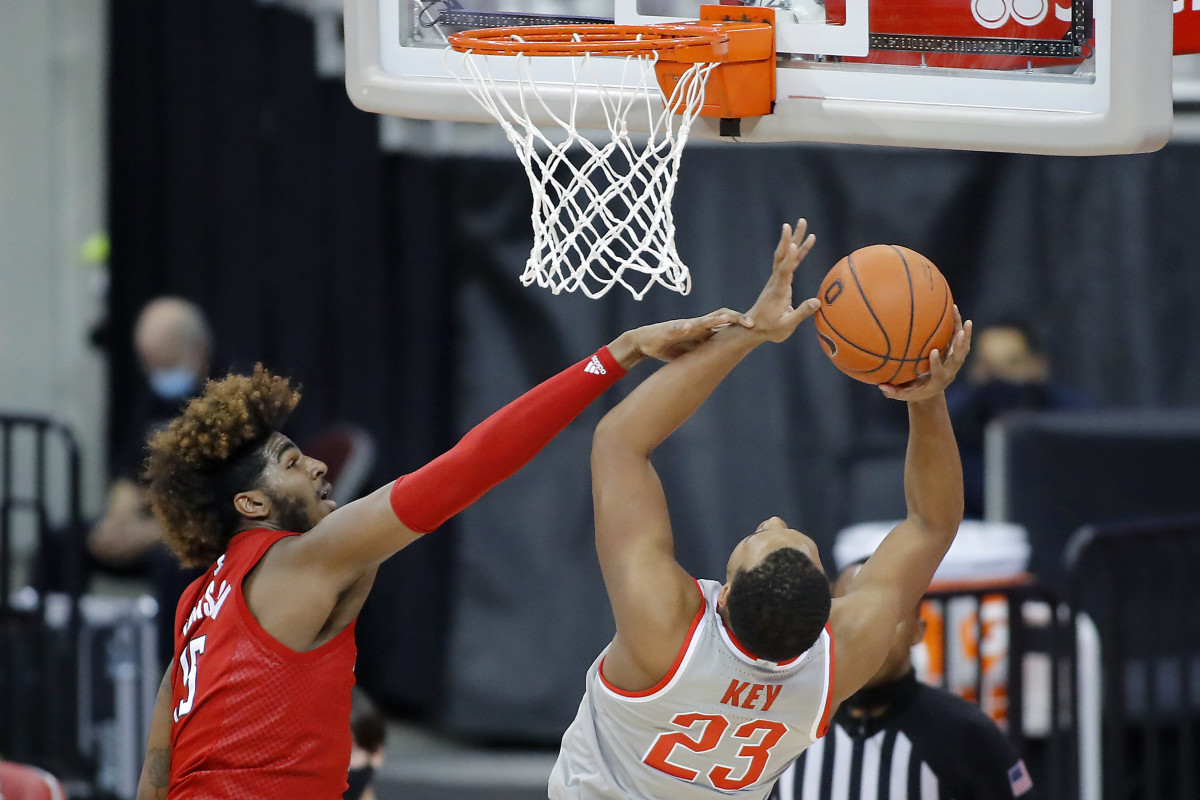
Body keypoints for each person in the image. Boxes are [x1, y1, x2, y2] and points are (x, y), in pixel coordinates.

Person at [134, 306, 748, 800]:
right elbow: (473, 463)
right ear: (251, 503)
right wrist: (619, 353)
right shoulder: (306, 558)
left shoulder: (198, 602)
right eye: (292, 463)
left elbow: (158, 765)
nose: (317, 465)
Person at [548, 219, 973, 800]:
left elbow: (620, 441)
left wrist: (751, 333)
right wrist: (926, 397)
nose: (772, 520)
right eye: (790, 534)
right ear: (827, 613)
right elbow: (931, 523)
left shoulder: (665, 630)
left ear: (720, 599)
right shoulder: (837, 663)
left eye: (760, 535)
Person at [768, 559, 1037, 800]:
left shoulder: (966, 733)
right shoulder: (781, 728)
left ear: (919, 630)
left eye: (887, 617)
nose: (867, 633)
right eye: (851, 616)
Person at [88, 296, 213, 663]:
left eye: (167, 364)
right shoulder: (151, 402)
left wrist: (152, 532)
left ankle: (171, 675)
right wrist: (117, 520)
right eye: (151, 365)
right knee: (64, 541)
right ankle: (44, 655)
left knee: (175, 561)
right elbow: (130, 474)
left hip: (200, 535)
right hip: (149, 527)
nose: (158, 374)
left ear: (196, 351)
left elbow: (224, 501)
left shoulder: (226, 404)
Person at [944, 320, 1090, 518]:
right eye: (988, 367)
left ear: (1037, 365)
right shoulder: (949, 423)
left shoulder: (1076, 423)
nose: (998, 377)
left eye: (1011, 364)